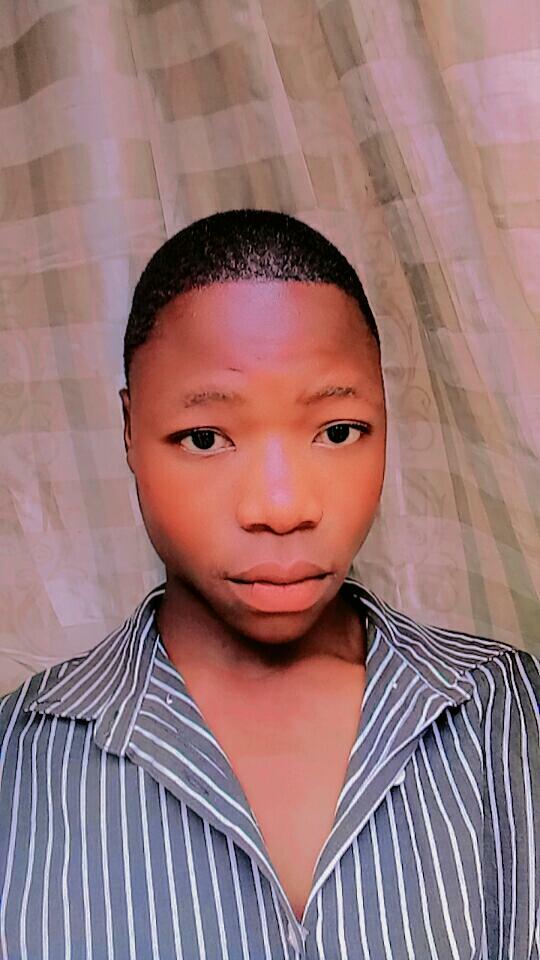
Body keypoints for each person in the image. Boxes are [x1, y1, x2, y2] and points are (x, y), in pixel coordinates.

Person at [0, 209, 538, 960]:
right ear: (129, 431)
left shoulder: (501, 711)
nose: (282, 508)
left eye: (338, 431)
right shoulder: (20, 757)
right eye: (205, 439)